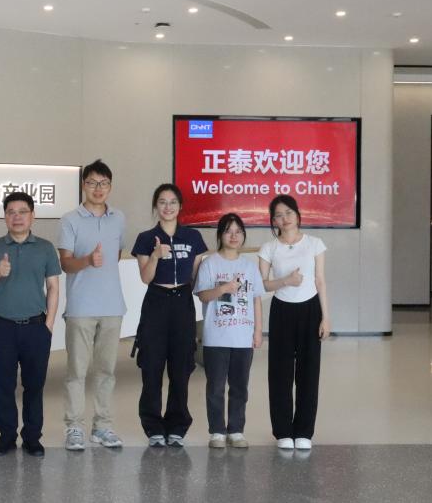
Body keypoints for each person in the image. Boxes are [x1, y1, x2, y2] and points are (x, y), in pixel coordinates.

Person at [0, 192, 60, 457]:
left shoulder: (45, 248)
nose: (17, 217)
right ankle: (6, 436)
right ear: (5, 217)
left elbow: (53, 287)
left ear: (32, 216)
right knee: (4, 384)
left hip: (36, 327)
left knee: (34, 385)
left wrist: (48, 325)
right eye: (11, 212)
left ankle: (32, 437)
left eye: (22, 211)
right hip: (2, 326)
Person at [57, 159, 129, 451]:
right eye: (92, 183)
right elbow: (65, 263)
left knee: (106, 371)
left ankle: (102, 427)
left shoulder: (119, 218)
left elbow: (117, 253)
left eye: (104, 183)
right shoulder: (69, 219)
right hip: (80, 308)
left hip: (112, 306)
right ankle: (74, 427)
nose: (98, 189)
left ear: (110, 186)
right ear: (83, 185)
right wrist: (87, 260)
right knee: (76, 372)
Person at [131, 183, 208, 447]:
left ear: (180, 206)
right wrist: (155, 256)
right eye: (162, 202)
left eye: (173, 202)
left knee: (181, 365)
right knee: (151, 366)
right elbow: (145, 278)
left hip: (182, 302)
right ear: (156, 206)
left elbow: (196, 276)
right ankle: (153, 426)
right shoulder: (146, 237)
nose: (168, 207)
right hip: (156, 301)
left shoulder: (193, 237)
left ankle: (177, 425)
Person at [258, 195, 329, 451]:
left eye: (288, 213)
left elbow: (320, 280)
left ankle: (304, 431)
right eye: (278, 215)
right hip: (282, 310)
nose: (284, 218)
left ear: (297, 215)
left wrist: (326, 317)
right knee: (280, 372)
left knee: (309, 372)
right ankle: (283, 431)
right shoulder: (269, 248)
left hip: (310, 309)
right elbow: (262, 284)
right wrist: (285, 281)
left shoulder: (314, 244)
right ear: (273, 221)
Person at [193, 213, 264, 449]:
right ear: (220, 235)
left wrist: (258, 331)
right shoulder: (210, 263)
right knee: (215, 387)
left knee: (239, 387)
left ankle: (236, 430)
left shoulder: (249, 266)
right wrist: (224, 288)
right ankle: (217, 431)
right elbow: (203, 295)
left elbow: (256, 299)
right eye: (228, 231)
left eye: (238, 232)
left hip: (243, 337)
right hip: (216, 337)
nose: (234, 236)